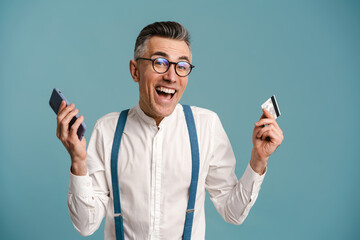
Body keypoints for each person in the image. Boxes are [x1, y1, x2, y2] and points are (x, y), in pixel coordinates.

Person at [56, 21, 284, 240]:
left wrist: (258, 160)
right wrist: (78, 161)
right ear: (135, 71)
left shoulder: (207, 126)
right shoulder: (108, 129)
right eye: (160, 63)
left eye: (182, 66)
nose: (171, 76)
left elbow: (232, 212)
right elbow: (85, 225)